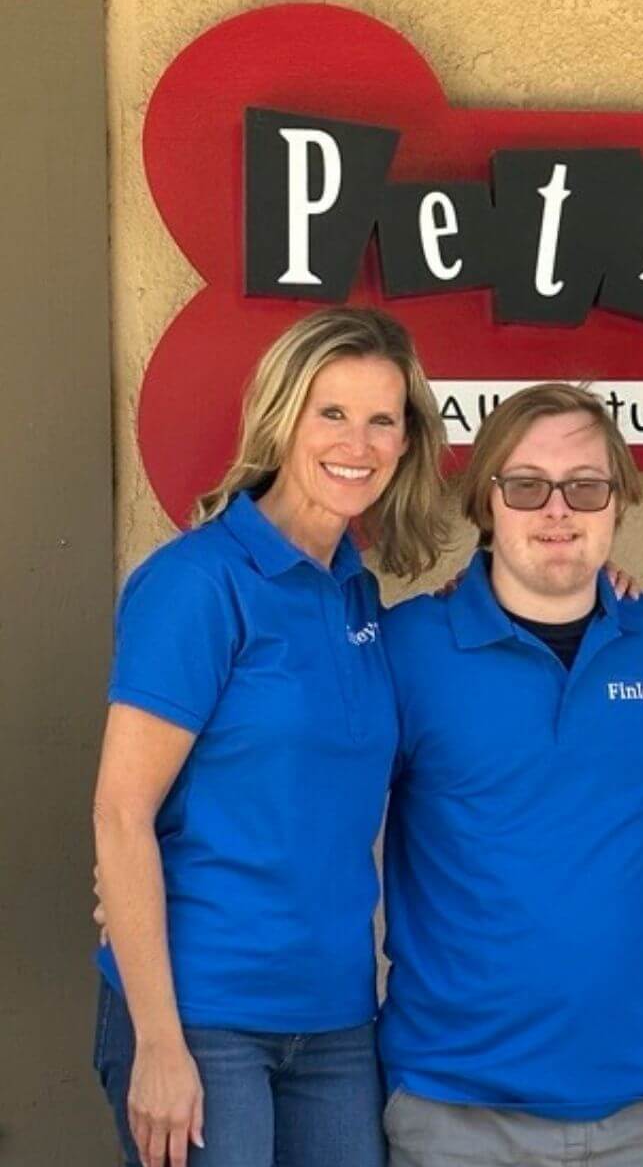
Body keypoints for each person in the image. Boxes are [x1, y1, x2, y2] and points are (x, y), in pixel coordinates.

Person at [91, 308, 448, 1167]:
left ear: (406, 443)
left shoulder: (358, 596)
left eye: (381, 420)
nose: (355, 442)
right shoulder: (199, 583)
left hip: (334, 1023)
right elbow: (119, 814)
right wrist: (159, 1043)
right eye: (331, 413)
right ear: (282, 419)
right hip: (203, 1017)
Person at [378, 383, 643, 1167]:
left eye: (585, 486)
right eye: (526, 486)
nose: (557, 509)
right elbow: (307, 806)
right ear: (486, 502)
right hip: (457, 1111)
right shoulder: (408, 646)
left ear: (618, 502)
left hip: (642, 1109)